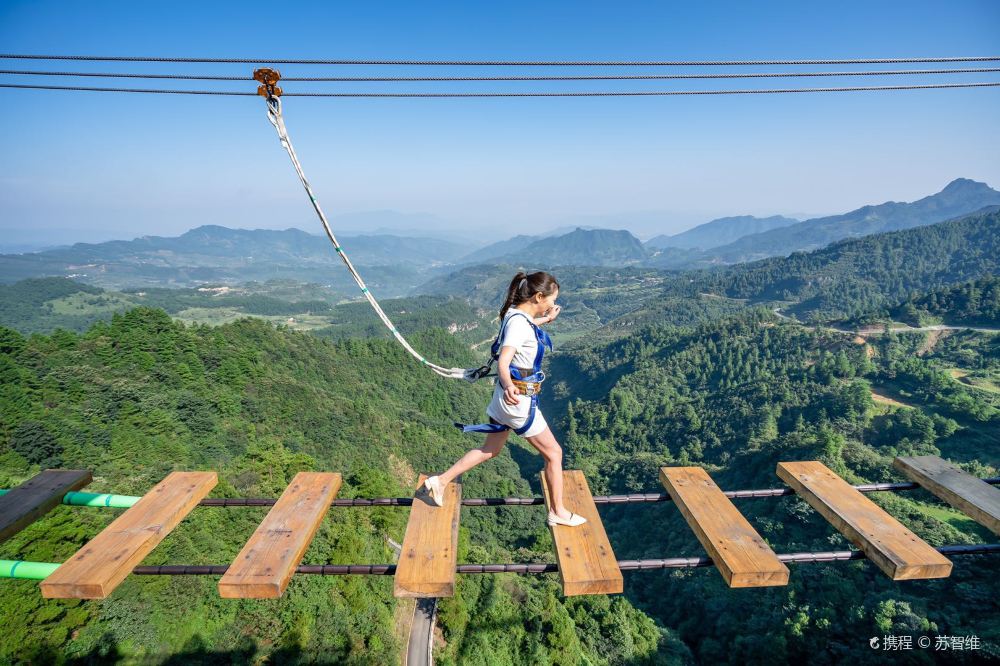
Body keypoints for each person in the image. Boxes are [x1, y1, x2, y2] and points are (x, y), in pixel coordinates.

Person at [423, 271, 587, 527]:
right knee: (554, 453)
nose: (552, 305)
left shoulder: (515, 314)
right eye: (550, 301)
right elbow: (504, 359)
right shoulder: (519, 323)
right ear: (538, 296)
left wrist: (544, 319)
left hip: (502, 399)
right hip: (517, 401)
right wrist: (510, 385)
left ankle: (440, 481)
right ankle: (558, 511)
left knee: (491, 449)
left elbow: (521, 331)